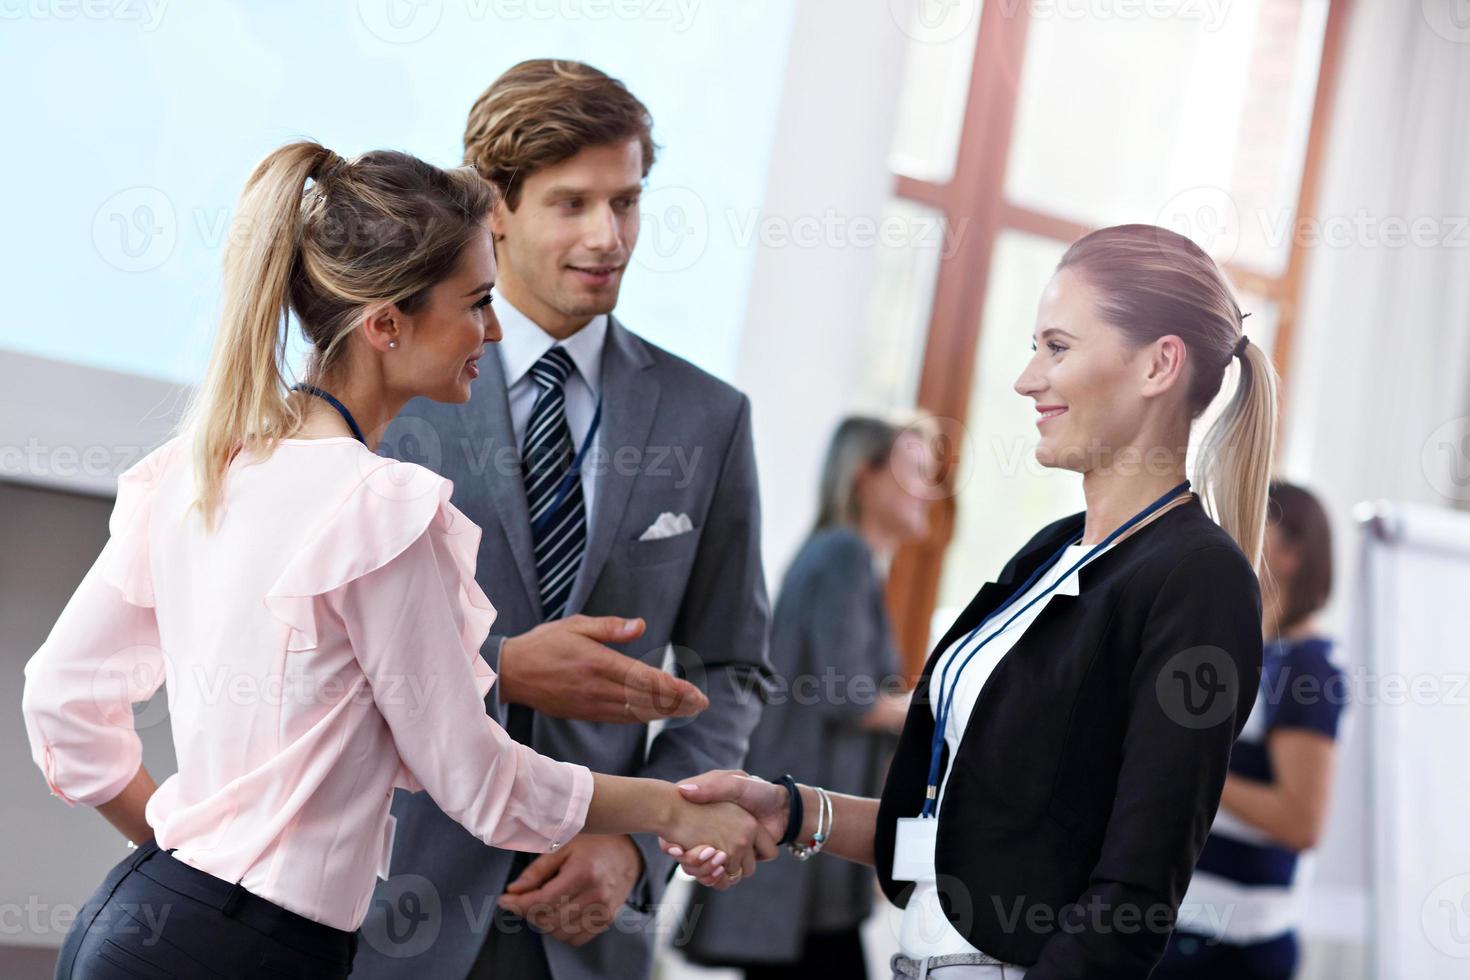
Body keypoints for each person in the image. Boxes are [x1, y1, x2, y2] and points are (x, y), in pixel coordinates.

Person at [20, 140, 771, 980]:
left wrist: (180, 850)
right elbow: (481, 784)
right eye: (477, 302)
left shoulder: (201, 467)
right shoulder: (379, 511)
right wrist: (677, 809)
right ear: (385, 324)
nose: (491, 328)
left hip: (141, 920)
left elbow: (61, 697)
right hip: (246, 951)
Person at [664, 224, 1278, 979]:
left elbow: (1135, 894)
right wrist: (791, 811)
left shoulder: (1198, 580)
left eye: (1056, 347)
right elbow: (958, 831)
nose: (1027, 379)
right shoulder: (1050, 551)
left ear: (1159, 364)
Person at [351, 60, 773, 980]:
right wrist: (497, 668)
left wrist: (634, 842)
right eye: (572, 203)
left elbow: (733, 663)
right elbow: (316, 648)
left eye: (626, 202)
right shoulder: (385, 397)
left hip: (591, 927)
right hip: (388, 905)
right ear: (491, 209)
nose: (608, 236)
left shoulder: (709, 418)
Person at [678, 416, 934, 978]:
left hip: (804, 837)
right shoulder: (843, 555)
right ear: (865, 477)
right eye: (914, 470)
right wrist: (942, 709)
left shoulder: (842, 557)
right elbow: (848, 699)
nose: (927, 488)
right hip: (798, 836)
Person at [1154, 481, 1345, 980]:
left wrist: (1191, 769)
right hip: (1183, 925)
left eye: (1255, 526)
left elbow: (1302, 822)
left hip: (1230, 949)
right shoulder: (1251, 650)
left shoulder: (1306, 668)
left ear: (1291, 555)